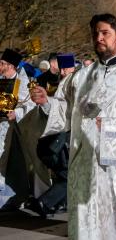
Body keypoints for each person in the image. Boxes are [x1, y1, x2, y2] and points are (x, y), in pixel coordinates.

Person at [30, 13, 116, 239]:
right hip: (86, 168)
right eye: (95, 33)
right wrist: (46, 102)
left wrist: (113, 124)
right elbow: (64, 112)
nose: (99, 38)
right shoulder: (80, 77)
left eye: (105, 33)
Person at [25, 53, 77, 218]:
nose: (62, 72)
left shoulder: (77, 82)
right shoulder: (62, 83)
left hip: (69, 137)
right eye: (61, 69)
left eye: (66, 68)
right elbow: (60, 108)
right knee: (69, 174)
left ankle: (55, 203)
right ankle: (48, 202)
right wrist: (46, 102)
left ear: (73, 67)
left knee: (67, 174)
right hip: (61, 138)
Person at [0, 48, 36, 208]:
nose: (0, 66)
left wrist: (17, 113)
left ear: (11, 66)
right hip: (1, 127)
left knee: (16, 162)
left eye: (2, 63)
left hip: (16, 129)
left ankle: (16, 197)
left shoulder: (23, 84)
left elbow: (31, 105)